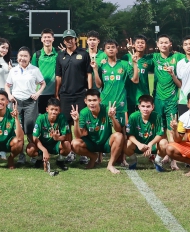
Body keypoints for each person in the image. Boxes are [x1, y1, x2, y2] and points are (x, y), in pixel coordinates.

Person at [93, 39, 139, 165]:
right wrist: (95, 70)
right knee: (102, 129)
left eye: (113, 47)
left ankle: (122, 159)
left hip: (120, 103)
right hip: (104, 102)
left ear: (117, 49)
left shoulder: (124, 64)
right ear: (104, 50)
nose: (111, 49)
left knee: (122, 131)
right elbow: (98, 84)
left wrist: (135, 64)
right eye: (108, 47)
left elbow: (135, 80)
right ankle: (99, 157)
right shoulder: (101, 65)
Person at [55, 29, 92, 164]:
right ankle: (71, 152)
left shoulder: (84, 54)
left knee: (81, 123)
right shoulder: (60, 56)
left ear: (75, 39)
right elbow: (58, 77)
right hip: (65, 94)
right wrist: (56, 93)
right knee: (67, 124)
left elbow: (89, 74)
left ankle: (82, 151)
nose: (69, 41)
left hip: (81, 93)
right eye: (66, 39)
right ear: (64, 41)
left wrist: (89, 92)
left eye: (71, 38)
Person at [5, 47, 45, 165]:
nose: (23, 58)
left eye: (25, 56)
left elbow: (43, 83)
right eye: (20, 56)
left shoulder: (35, 70)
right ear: (17, 57)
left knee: (30, 130)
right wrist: (9, 95)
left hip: (30, 103)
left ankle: (33, 154)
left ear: (29, 58)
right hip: (16, 102)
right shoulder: (13, 70)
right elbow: (7, 85)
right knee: (18, 130)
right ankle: (21, 155)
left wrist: (37, 93)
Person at [70, 89, 124, 174]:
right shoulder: (84, 113)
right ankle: (93, 157)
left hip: (106, 142)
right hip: (91, 144)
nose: (92, 103)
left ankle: (110, 164)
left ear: (99, 100)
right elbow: (78, 136)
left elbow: (118, 129)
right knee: (74, 143)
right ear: (85, 101)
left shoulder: (107, 109)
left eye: (94, 100)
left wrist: (112, 117)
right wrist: (76, 121)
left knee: (119, 136)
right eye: (89, 100)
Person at [151, 34, 184, 170]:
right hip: (158, 99)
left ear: (171, 44)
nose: (163, 45)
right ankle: (165, 153)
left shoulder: (177, 57)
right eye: (161, 42)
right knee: (161, 128)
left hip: (172, 100)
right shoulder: (154, 57)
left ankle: (173, 160)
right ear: (157, 45)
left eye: (166, 42)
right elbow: (139, 58)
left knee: (171, 129)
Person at [124, 95, 167, 172]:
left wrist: (150, 144)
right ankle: (133, 160)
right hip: (138, 145)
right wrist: (139, 144)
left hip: (152, 145)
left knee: (164, 142)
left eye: (148, 106)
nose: (145, 109)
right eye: (143, 106)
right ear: (139, 107)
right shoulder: (133, 117)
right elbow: (130, 135)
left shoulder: (157, 116)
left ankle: (157, 161)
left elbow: (160, 134)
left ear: (152, 107)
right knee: (126, 143)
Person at [28, 98, 72, 173]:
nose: (54, 112)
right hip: (43, 144)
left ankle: (60, 160)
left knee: (67, 144)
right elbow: (34, 137)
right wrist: (44, 150)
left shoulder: (62, 117)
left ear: (59, 110)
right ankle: (39, 159)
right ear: (47, 109)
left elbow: (65, 136)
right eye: (52, 109)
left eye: (56, 110)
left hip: (56, 145)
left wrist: (58, 138)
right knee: (30, 149)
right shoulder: (41, 118)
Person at [122, 35, 153, 116]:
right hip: (128, 95)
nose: (140, 44)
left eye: (142, 43)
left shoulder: (149, 59)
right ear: (134, 45)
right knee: (130, 120)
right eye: (138, 43)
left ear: (146, 45)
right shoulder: (126, 57)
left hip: (143, 95)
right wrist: (129, 50)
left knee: (143, 120)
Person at [32, 29, 58, 115]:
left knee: (54, 116)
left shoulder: (58, 54)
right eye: (45, 37)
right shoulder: (37, 55)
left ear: (53, 39)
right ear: (41, 39)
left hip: (55, 92)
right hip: (41, 93)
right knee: (41, 117)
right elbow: (32, 74)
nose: (47, 39)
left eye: (49, 37)